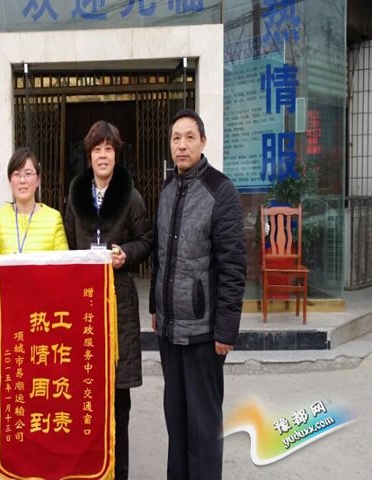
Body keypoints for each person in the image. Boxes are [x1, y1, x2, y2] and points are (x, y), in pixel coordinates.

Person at [149, 108, 247, 480]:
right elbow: (160, 256)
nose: (182, 145)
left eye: (190, 137)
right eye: (176, 138)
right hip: (169, 330)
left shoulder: (221, 191)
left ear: (203, 142)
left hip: (204, 333)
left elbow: (233, 265)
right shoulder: (166, 189)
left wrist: (226, 330)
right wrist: (155, 306)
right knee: (176, 422)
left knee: (204, 426)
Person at [64, 120, 152, 480]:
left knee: (119, 398)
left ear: (116, 155)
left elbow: (146, 240)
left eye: (109, 149)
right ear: (89, 156)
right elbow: (68, 243)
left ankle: (120, 472)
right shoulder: (75, 194)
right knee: (87, 395)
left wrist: (126, 253)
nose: (103, 155)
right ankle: (91, 469)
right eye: (97, 149)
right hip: (84, 302)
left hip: (120, 304)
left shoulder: (131, 196)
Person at [0, 147, 67, 274]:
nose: (22, 180)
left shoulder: (53, 218)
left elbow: (64, 264)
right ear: (10, 180)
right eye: (17, 174)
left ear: (38, 180)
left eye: (28, 174)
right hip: (10, 285)